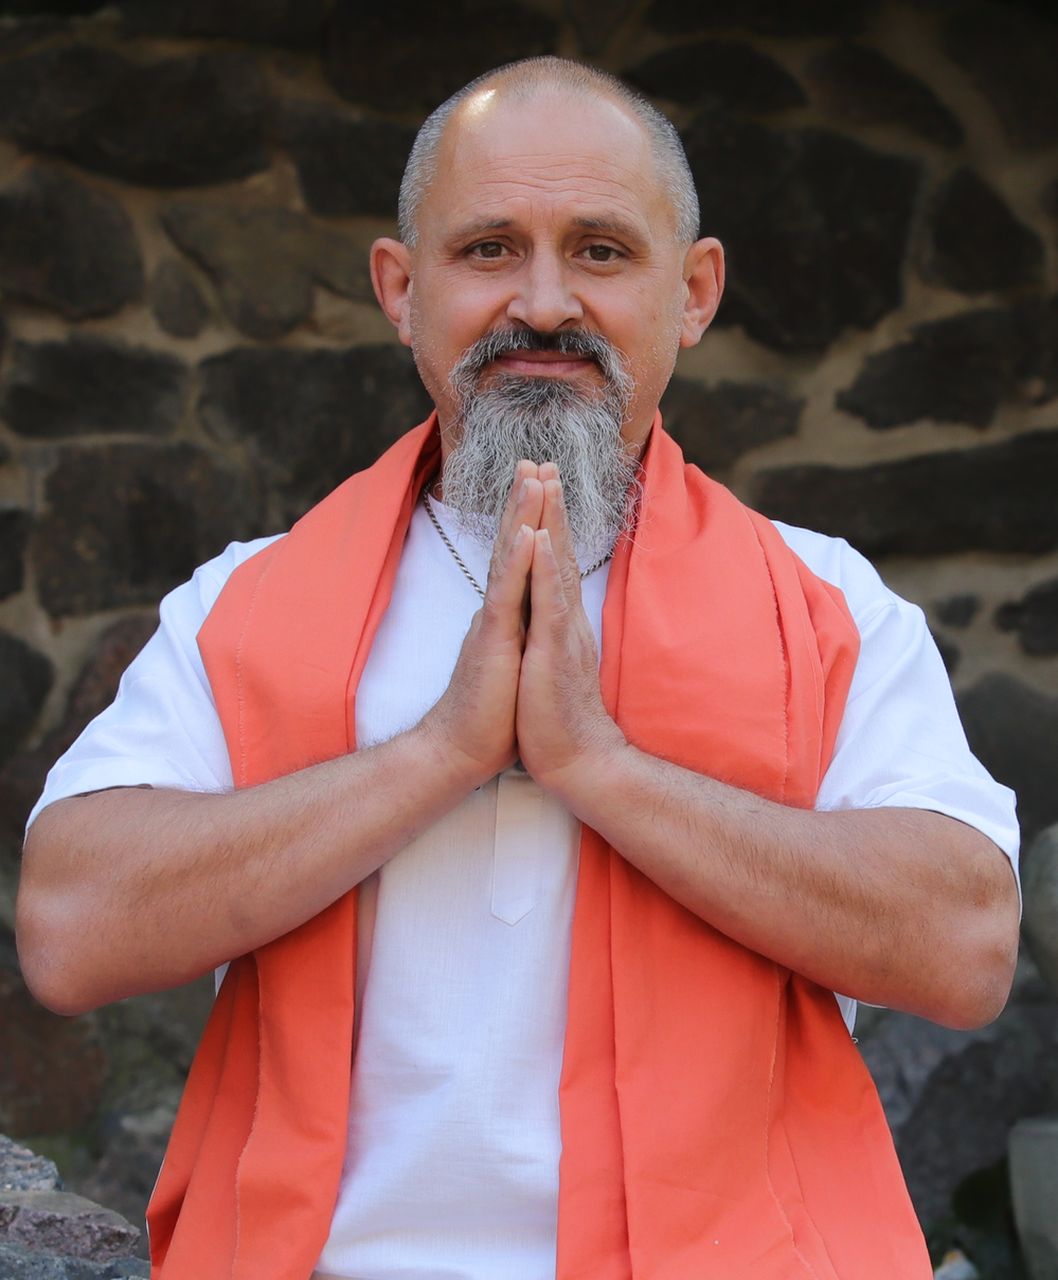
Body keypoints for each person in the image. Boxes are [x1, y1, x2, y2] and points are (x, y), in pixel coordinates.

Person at [17, 57, 1019, 1280]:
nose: (542, 304)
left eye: (600, 250)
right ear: (401, 289)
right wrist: (439, 751)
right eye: (487, 248)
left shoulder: (825, 602)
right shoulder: (248, 598)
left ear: (692, 291)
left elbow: (964, 942)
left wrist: (597, 765)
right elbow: (69, 927)